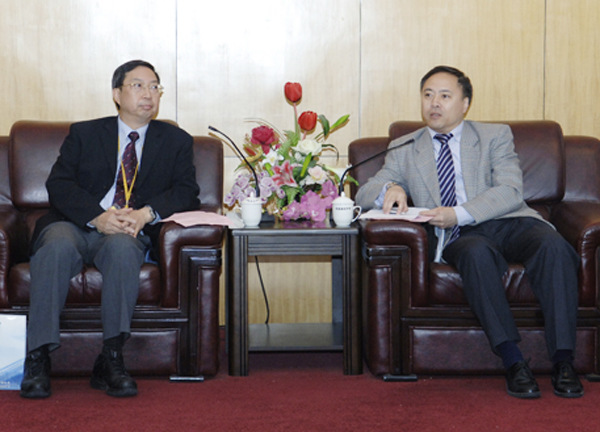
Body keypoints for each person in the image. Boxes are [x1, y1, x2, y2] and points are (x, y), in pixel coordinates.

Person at [355, 65, 584, 399]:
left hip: (509, 220)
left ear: (465, 104)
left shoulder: (494, 136)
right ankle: (513, 360)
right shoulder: (405, 146)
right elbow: (364, 191)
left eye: (445, 96)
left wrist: (457, 213)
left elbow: (510, 190)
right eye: (428, 95)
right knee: (476, 254)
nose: (434, 103)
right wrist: (390, 188)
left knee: (553, 245)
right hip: (460, 236)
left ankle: (564, 360)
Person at [20, 60, 200, 399]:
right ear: (117, 94)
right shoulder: (85, 134)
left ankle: (111, 358)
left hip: (128, 229)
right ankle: (38, 356)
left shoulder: (176, 140)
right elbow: (59, 184)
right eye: (138, 85)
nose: (148, 94)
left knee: (122, 251)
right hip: (74, 223)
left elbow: (186, 191)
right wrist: (96, 216)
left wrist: (146, 214)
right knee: (56, 247)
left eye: (154, 87)